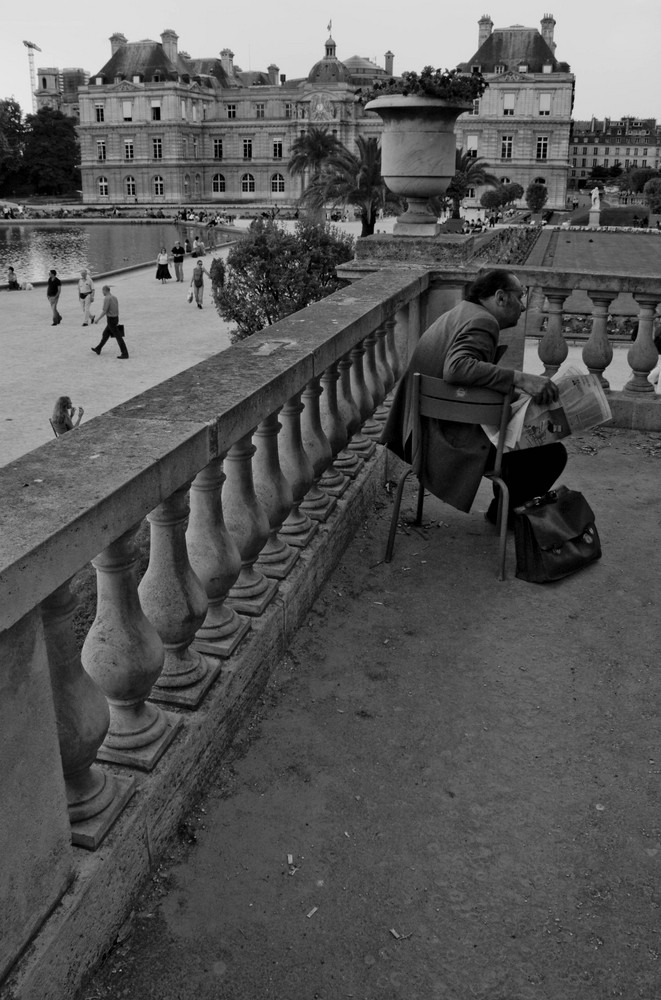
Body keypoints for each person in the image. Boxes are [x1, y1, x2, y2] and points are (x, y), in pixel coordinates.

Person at [381, 269, 567, 524]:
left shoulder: (462, 312)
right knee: (551, 452)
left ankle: (503, 510)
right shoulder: (484, 322)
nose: (523, 307)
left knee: (522, 440)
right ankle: (505, 515)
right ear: (500, 297)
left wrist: (510, 393)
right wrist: (520, 379)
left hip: (419, 432)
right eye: (519, 297)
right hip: (442, 442)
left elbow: (463, 382)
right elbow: (457, 368)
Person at [91, 285, 129, 359]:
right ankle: (98, 348)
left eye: (102, 291)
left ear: (105, 290)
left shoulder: (106, 298)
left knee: (118, 337)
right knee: (105, 334)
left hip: (111, 319)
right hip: (115, 318)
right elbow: (117, 309)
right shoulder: (114, 297)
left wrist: (98, 319)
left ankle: (125, 353)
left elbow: (105, 311)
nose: (102, 292)